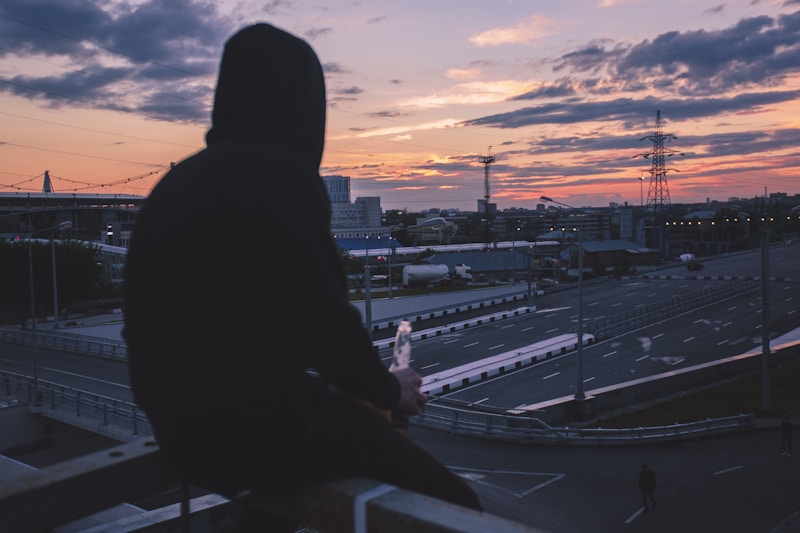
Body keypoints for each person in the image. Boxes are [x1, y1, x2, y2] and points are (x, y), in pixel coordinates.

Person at [122, 22, 482, 527]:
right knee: (454, 509)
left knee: (278, 507)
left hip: (179, 428)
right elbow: (321, 320)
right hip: (256, 431)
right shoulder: (282, 177)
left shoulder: (179, 181)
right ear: (306, 105)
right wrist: (386, 390)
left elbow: (236, 333)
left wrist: (333, 389)